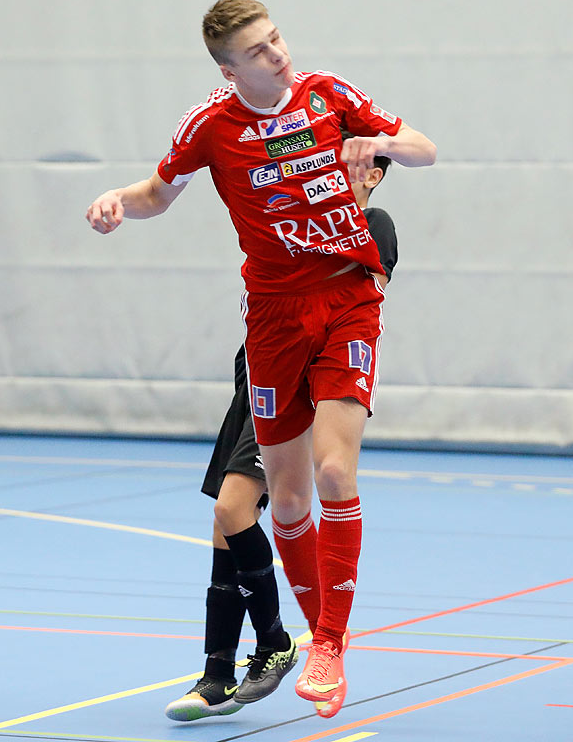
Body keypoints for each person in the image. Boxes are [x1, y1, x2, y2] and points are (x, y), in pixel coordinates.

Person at [88, 0, 435, 718]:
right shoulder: (211, 127)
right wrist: (117, 199)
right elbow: (158, 193)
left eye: (277, 40)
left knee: (335, 469)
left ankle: (329, 645)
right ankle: (289, 640)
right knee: (286, 498)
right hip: (273, 319)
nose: (278, 56)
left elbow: (424, 148)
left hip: (344, 300)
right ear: (229, 67)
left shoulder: (329, 95)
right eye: (259, 50)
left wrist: (380, 147)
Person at [165, 152, 399, 722]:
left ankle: (288, 643)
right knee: (227, 522)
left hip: (311, 369)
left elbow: (347, 278)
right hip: (258, 373)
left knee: (248, 503)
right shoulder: (282, 210)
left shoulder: (374, 225)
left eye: (352, 159)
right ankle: (219, 672)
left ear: (373, 173)